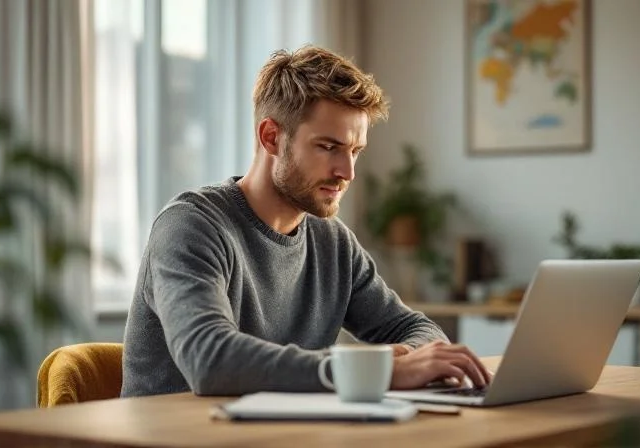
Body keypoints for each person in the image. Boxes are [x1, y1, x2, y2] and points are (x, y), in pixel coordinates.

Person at [121, 45, 491, 397]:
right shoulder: (191, 226)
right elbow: (210, 359)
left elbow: (416, 329)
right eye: (328, 147)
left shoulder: (333, 243)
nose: (347, 172)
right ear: (271, 137)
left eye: (355, 151)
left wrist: (409, 360)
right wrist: (380, 372)